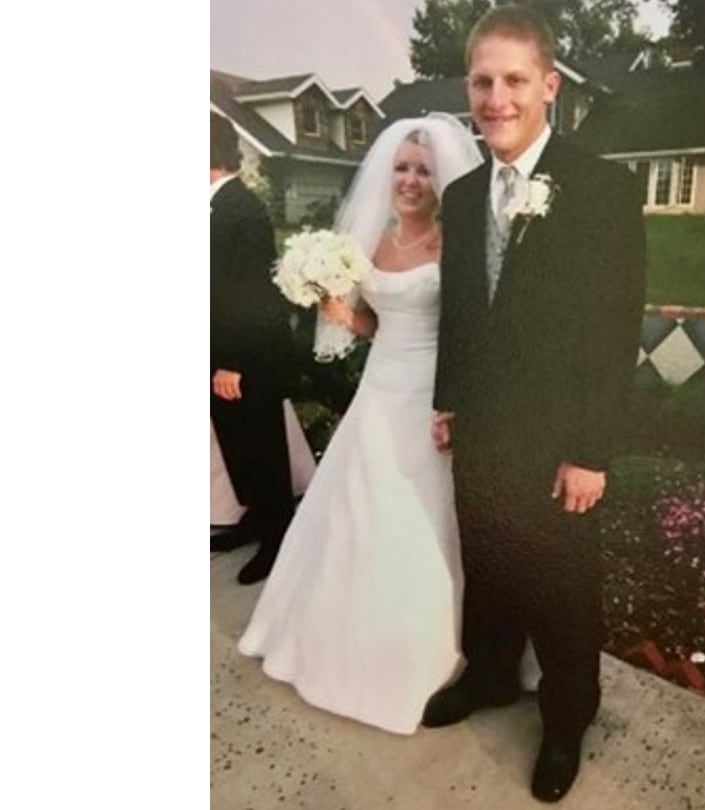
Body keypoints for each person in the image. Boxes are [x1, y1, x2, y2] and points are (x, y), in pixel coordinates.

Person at [238, 114, 529, 735]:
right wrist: (338, 310)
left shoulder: (457, 244)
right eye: (401, 167)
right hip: (379, 391)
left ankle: (433, 653)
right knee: (355, 509)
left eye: (424, 169)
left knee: (424, 517)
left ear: (443, 177)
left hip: (433, 395)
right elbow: (375, 325)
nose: (411, 180)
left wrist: (457, 404)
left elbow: (472, 332)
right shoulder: (366, 245)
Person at [422, 6, 648, 803]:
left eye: (514, 79)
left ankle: (564, 718)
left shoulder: (601, 189)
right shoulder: (459, 194)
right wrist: (450, 400)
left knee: (560, 583)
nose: (496, 97)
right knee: (488, 565)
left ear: (548, 85)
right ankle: (487, 676)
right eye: (482, 81)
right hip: (482, 426)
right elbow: (462, 308)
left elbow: (615, 327)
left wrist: (591, 450)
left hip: (560, 439)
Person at [210, 111, 297, 583]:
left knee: (260, 445)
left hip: (245, 356)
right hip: (220, 352)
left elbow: (248, 294)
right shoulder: (216, 206)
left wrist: (230, 362)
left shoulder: (238, 209)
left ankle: (278, 532)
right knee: (237, 444)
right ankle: (256, 519)